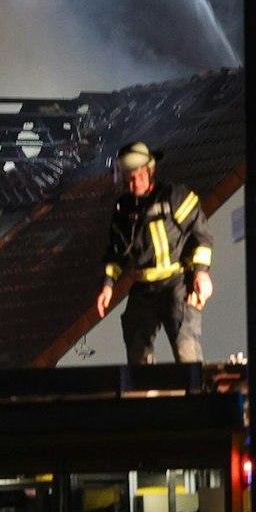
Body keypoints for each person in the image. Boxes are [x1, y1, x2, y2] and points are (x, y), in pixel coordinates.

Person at [93, 141, 214, 363]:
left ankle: (196, 395)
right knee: (137, 349)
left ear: (150, 170)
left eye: (138, 176)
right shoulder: (124, 209)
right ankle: (144, 394)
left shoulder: (175, 196)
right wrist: (108, 285)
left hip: (177, 285)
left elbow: (202, 236)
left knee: (187, 351)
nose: (134, 183)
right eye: (129, 178)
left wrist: (201, 273)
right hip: (144, 289)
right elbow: (116, 252)